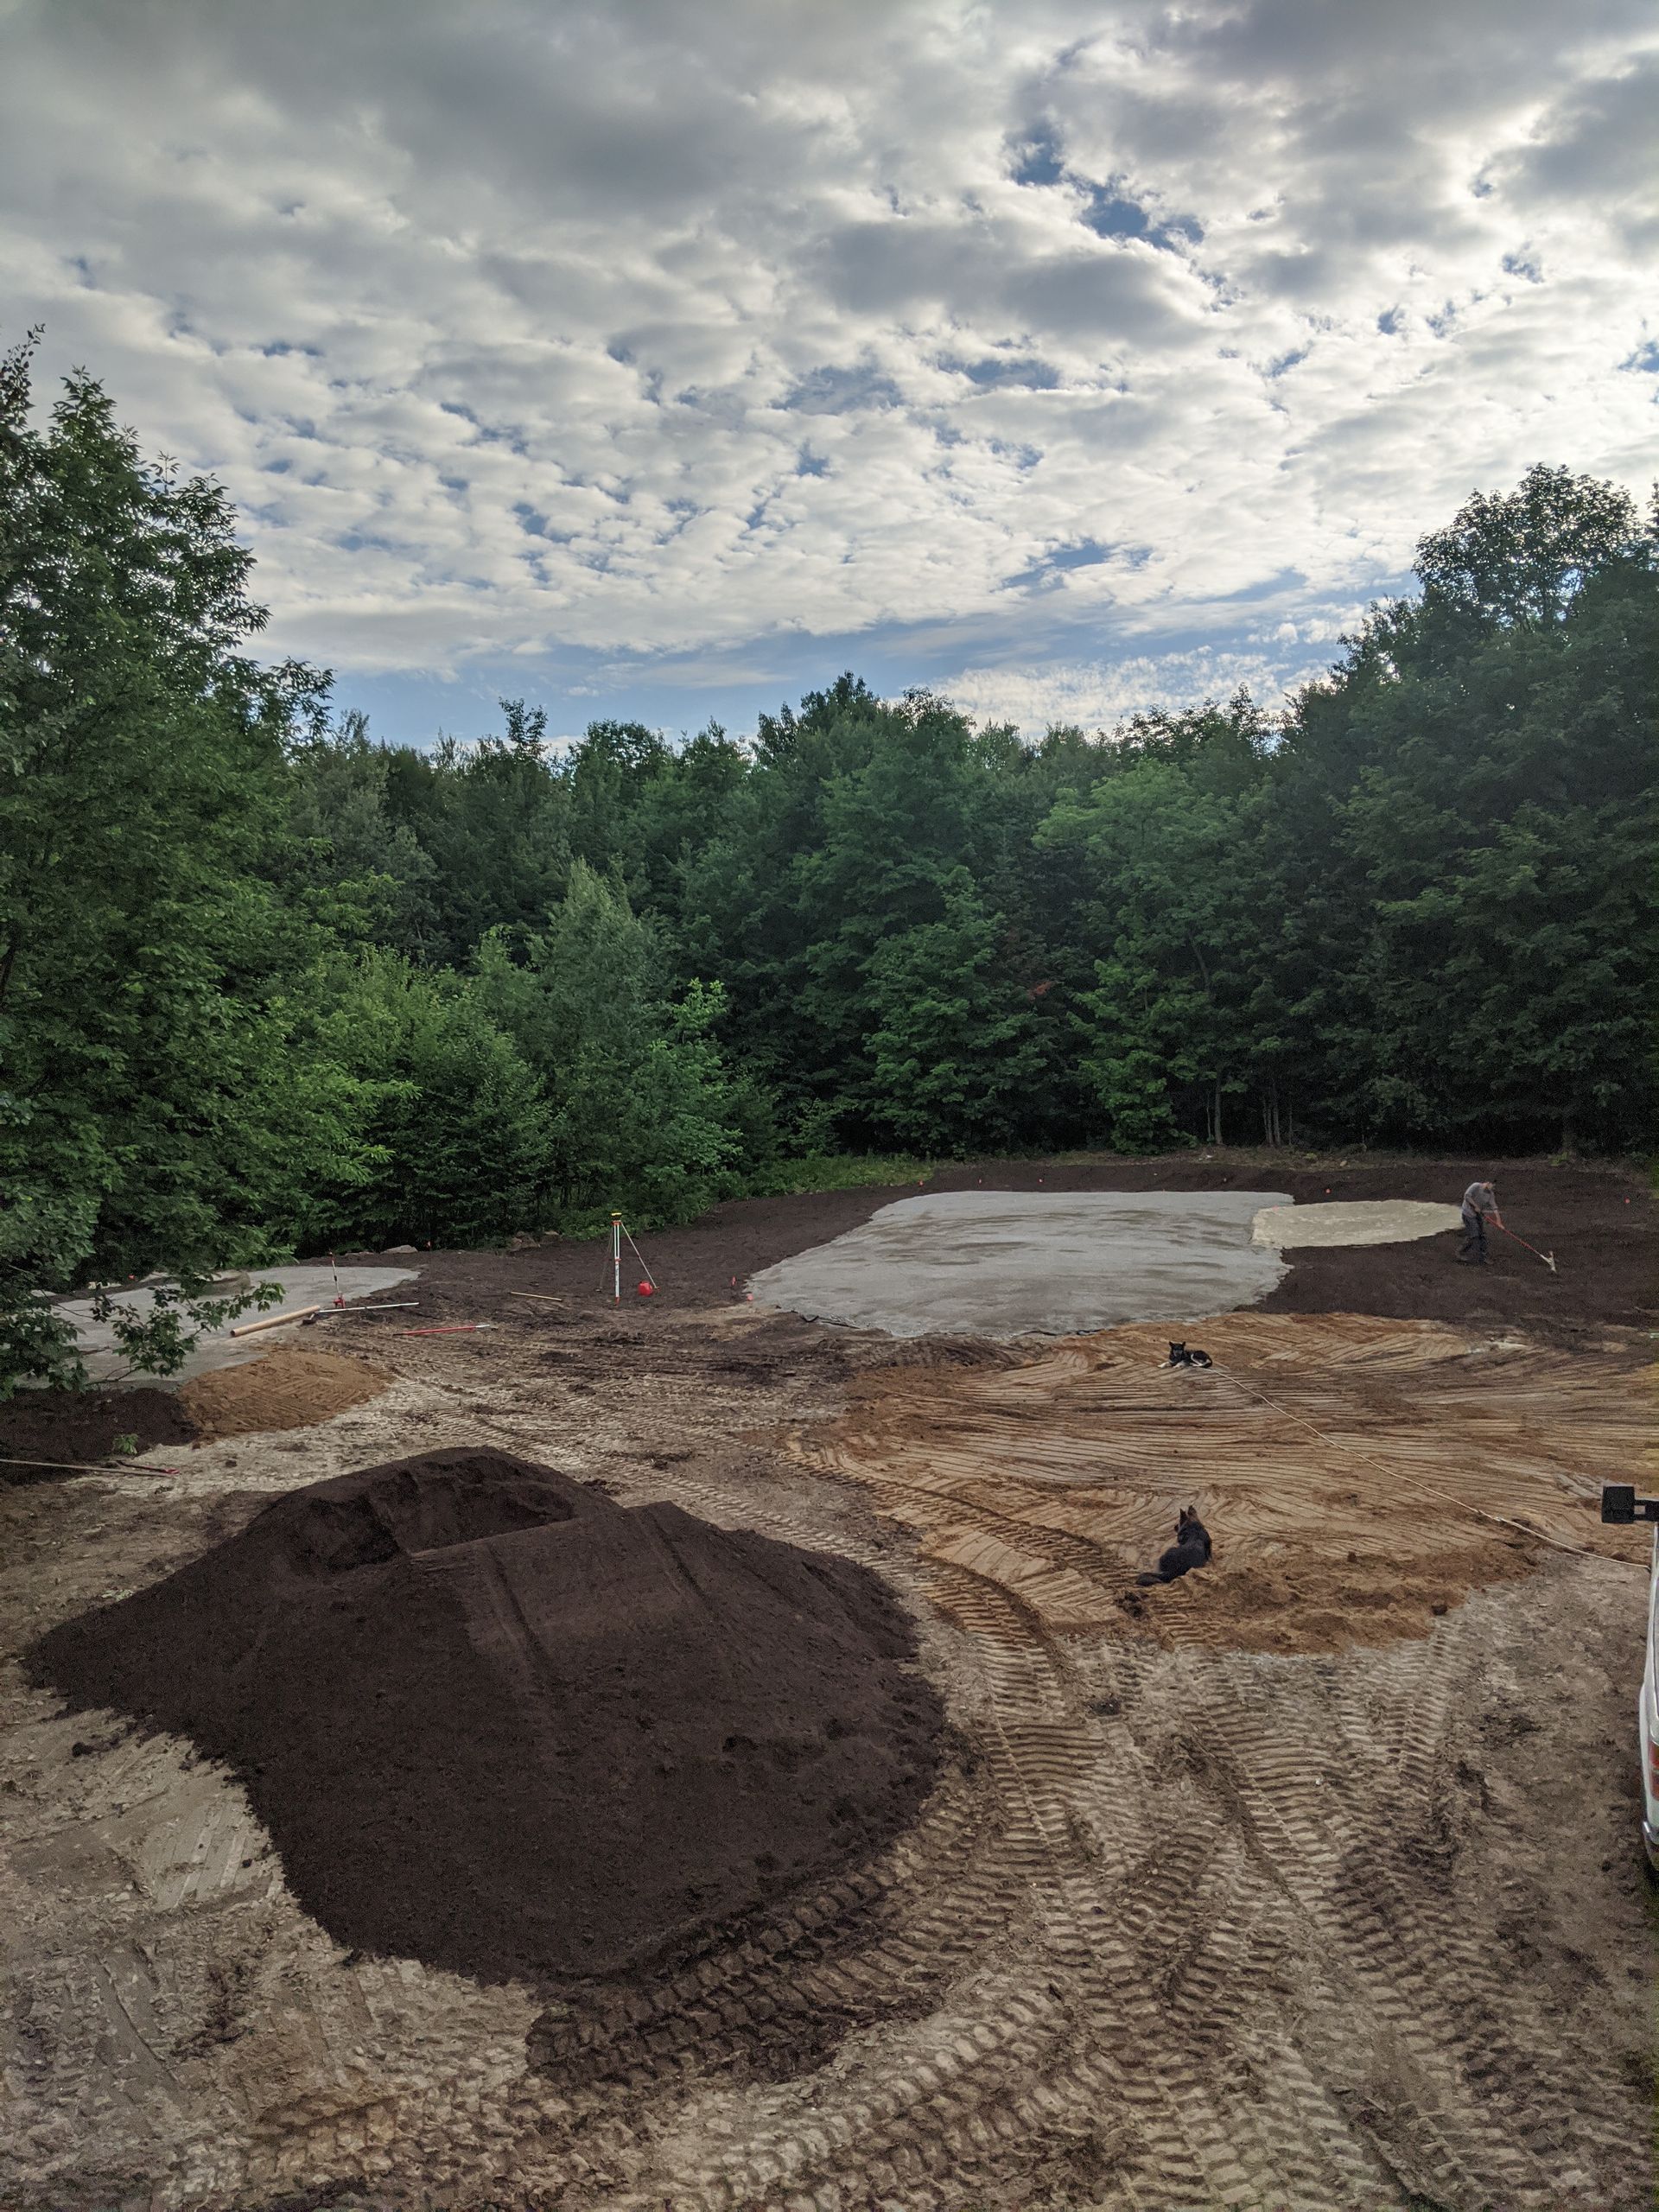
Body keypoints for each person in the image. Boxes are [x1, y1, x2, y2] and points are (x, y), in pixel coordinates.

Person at [1458, 1179, 1501, 1264]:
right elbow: (1467, 1196)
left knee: (1482, 1235)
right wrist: (1475, 1206)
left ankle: (1483, 1256)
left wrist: (1499, 1222)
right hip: (1468, 1213)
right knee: (1474, 1235)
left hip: (1477, 1214)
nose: (1493, 1189)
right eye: (1493, 1186)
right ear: (1488, 1183)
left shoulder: (1490, 1194)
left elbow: (1494, 1207)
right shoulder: (1476, 1186)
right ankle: (1461, 1253)